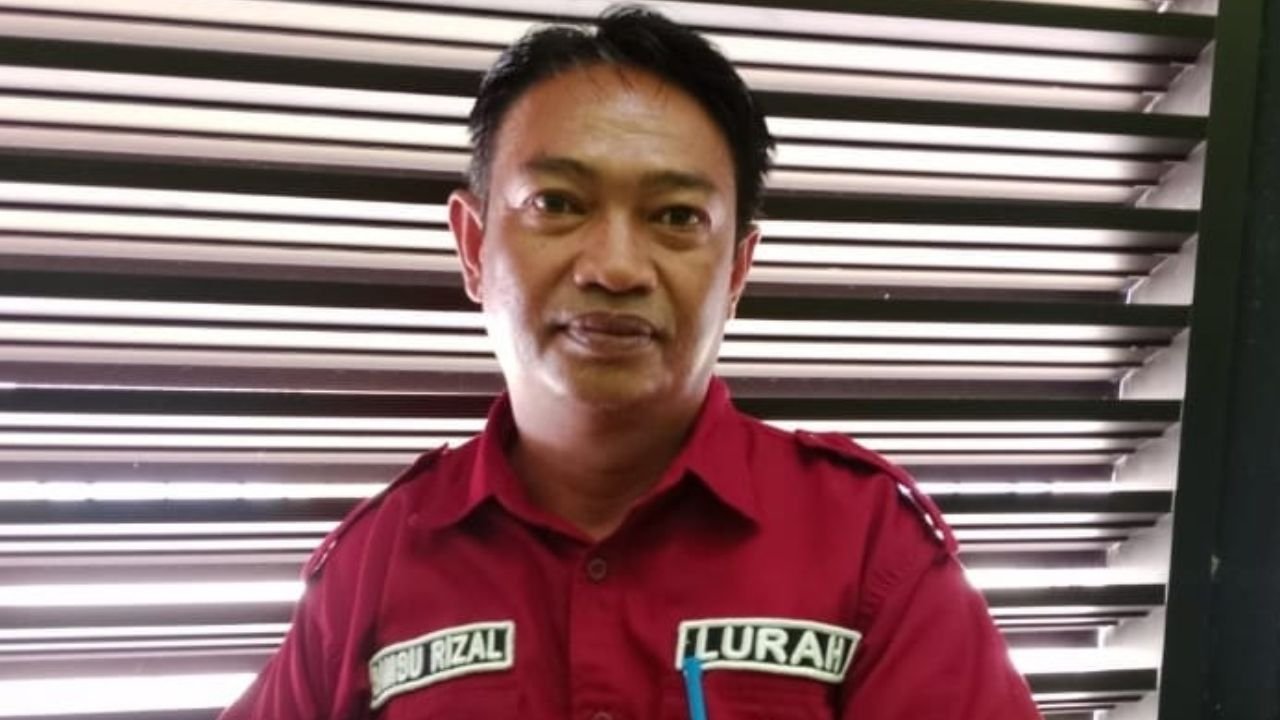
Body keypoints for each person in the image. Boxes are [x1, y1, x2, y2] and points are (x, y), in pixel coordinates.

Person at [219, 6, 1040, 719]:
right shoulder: (374, 565)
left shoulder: (867, 544)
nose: (615, 267)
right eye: (557, 203)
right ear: (473, 246)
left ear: (736, 271)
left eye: (676, 216)